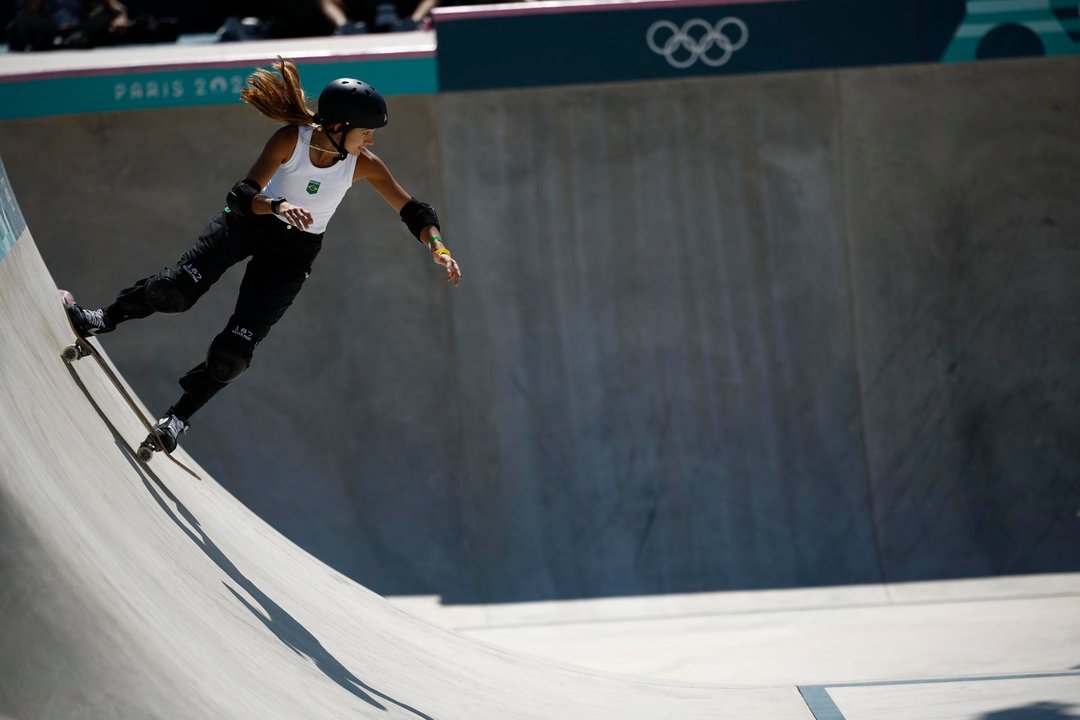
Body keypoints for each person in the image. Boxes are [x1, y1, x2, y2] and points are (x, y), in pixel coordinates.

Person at [64, 57, 462, 454]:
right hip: (247, 222)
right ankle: (102, 319)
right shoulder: (292, 140)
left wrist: (438, 248)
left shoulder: (363, 166)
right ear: (338, 127)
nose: (370, 141)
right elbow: (241, 196)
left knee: (233, 353)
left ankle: (177, 418)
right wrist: (276, 206)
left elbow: (414, 211)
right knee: (175, 291)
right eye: (367, 133)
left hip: (293, 254)